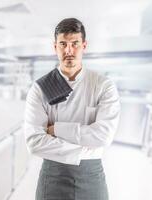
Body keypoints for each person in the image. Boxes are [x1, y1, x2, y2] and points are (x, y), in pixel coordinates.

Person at [24, 18, 121, 200]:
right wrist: (85, 149)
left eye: (75, 43)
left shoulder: (102, 86)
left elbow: (103, 136)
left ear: (84, 45)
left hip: (91, 176)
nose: (69, 51)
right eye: (63, 44)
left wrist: (56, 130)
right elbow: (34, 141)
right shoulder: (40, 88)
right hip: (53, 176)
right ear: (55, 47)